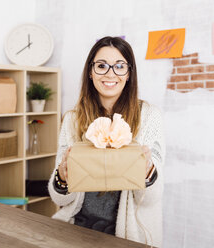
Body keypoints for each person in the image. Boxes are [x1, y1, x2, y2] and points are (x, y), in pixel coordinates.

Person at [48, 36, 165, 247]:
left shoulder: (149, 117)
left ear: (129, 73)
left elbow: (149, 200)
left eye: (119, 66)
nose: (110, 73)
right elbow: (59, 200)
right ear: (90, 72)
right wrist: (62, 177)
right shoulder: (72, 119)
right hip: (77, 226)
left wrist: (147, 172)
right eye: (101, 65)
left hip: (128, 234)